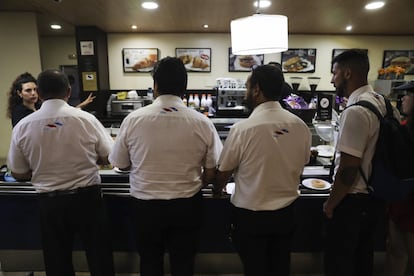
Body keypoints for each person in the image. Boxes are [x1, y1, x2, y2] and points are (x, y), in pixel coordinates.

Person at [109, 56, 222, 276]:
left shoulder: (133, 119)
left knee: (150, 262)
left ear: (155, 85)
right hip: (187, 206)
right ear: (184, 87)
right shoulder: (201, 122)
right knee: (184, 264)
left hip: (145, 207)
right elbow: (211, 172)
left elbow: (120, 164)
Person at [7, 69, 115, 276]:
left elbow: (18, 172)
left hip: (50, 202)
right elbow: (109, 156)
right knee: (99, 256)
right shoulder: (86, 119)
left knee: (57, 260)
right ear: (68, 90)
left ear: (38, 91)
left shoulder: (23, 126)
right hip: (88, 199)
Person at [215, 64, 312, 276]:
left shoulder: (243, 129)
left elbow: (223, 172)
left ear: (257, 89)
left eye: (248, 87)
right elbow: (303, 163)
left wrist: (217, 189)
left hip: (251, 218)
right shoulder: (301, 126)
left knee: (255, 269)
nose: (246, 92)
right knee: (280, 269)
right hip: (286, 214)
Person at [323, 49, 389, 275]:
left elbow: (349, 169)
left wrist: (331, 203)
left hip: (352, 202)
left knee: (339, 263)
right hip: (376, 195)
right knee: (362, 259)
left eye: (334, 73)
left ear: (348, 73)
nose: (332, 80)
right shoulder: (383, 103)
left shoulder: (356, 110)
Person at [384, 80, 414, 276]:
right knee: (395, 251)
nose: (402, 98)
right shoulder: (402, 126)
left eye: (408, 94)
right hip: (399, 201)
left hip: (411, 204)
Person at [7, 72, 95, 128]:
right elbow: (50, 123)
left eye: (35, 89)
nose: (33, 93)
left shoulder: (40, 106)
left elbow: (57, 117)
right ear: (19, 93)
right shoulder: (19, 112)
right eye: (28, 90)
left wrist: (79, 107)